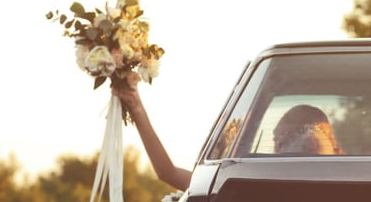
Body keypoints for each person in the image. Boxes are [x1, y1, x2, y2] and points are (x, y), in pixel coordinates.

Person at [114, 79, 342, 192]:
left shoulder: (257, 188)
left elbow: (169, 174)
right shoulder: (255, 185)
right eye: (277, 140)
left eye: (287, 139)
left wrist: (137, 108)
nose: (280, 146)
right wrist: (136, 107)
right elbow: (168, 173)